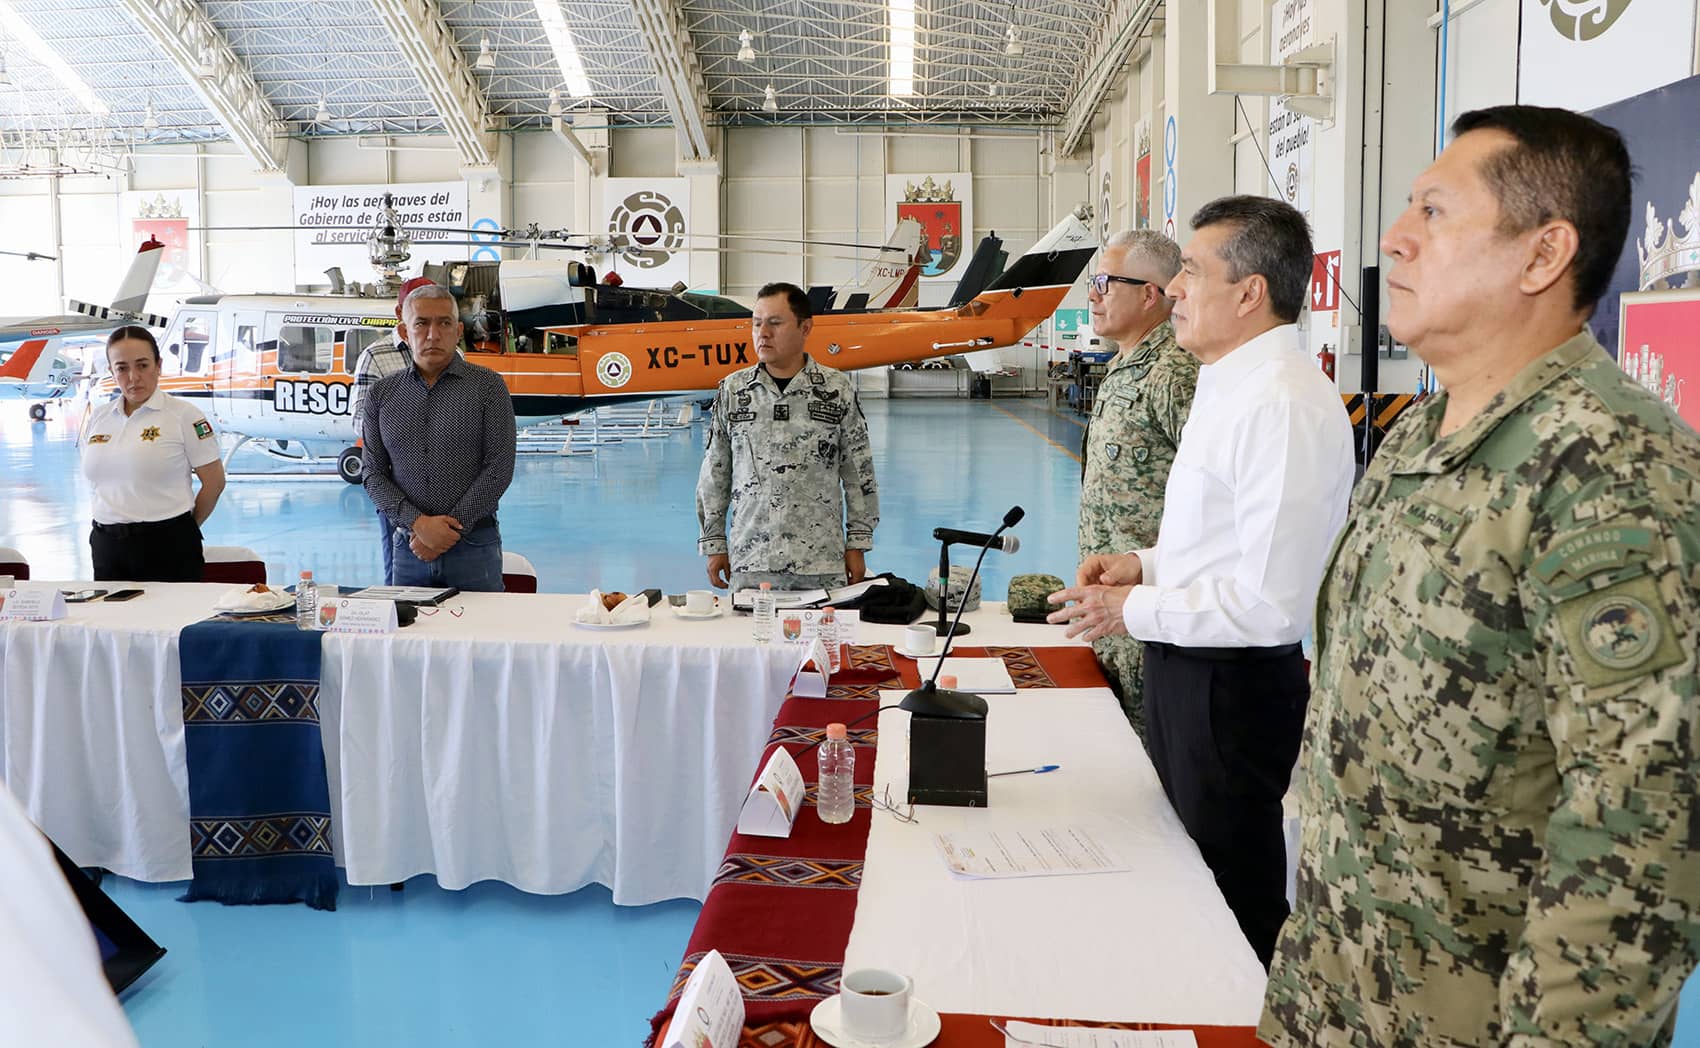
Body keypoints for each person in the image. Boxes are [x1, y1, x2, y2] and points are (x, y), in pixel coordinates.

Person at [1260, 106, 1700, 1046]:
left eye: (1434, 211)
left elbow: (1645, 831)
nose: (1395, 238)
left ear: (1542, 257)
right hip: (1337, 988)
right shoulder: (1422, 434)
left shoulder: (1611, 470)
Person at [1046, 195, 1354, 967]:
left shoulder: (1281, 404)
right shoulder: (1230, 383)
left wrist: (1133, 607)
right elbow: (1220, 543)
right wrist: (1143, 566)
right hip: (1190, 666)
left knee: (1230, 897)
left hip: (1231, 688)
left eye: (1189, 272)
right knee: (1188, 880)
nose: (1174, 289)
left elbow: (1266, 602)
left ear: (1249, 293)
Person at [1077, 230, 1196, 735]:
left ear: (1151, 294)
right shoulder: (1123, 366)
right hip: (1111, 608)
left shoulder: (1175, 373)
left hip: (1153, 618)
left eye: (1105, 282)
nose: (1093, 294)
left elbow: (1213, 499)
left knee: (1158, 774)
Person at [696, 281, 879, 595]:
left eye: (775, 323)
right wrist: (714, 542)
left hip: (821, 563)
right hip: (751, 562)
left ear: (805, 327)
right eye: (756, 323)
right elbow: (715, 474)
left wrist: (857, 543)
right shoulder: (733, 391)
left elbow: (858, 474)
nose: (762, 333)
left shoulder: (836, 391)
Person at [362, 283, 516, 592]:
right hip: (409, 546)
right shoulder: (381, 395)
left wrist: (449, 529)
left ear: (458, 330)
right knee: (409, 638)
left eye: (444, 323)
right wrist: (419, 525)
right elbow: (373, 473)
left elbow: (499, 467)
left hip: (475, 547)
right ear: (404, 332)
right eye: (422, 323)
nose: (433, 334)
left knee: (481, 637)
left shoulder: (488, 388)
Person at [80, 326, 226, 582]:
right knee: (111, 622)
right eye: (122, 368)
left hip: (167, 546)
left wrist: (187, 529)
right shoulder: (100, 418)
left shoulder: (183, 416)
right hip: (107, 547)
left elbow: (214, 482)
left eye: (142, 365)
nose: (133, 377)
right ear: (112, 372)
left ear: (158, 366)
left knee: (171, 621)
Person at [351, 274, 434, 583]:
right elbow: (361, 419)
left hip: (450, 497)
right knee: (401, 584)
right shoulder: (375, 357)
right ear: (401, 314)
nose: (431, 332)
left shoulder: (457, 357)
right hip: (398, 493)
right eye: (420, 316)